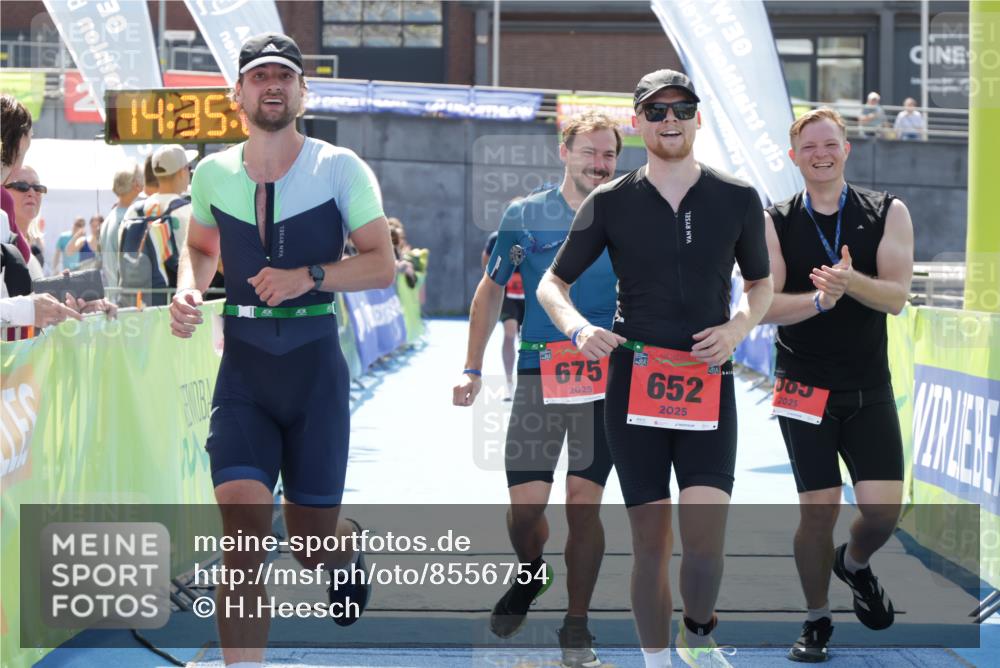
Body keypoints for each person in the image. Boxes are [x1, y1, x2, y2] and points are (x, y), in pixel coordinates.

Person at [168, 32, 395, 668]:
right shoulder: (213, 173)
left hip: (314, 371)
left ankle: (343, 549)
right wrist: (188, 289)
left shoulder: (340, 167)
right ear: (237, 93)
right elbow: (201, 246)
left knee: (309, 546)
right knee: (242, 543)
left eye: (285, 76)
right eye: (260, 76)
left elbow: (381, 264)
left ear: (302, 91)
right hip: (243, 371)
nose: (273, 85)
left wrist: (310, 276)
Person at [537, 70, 774, 668]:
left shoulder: (737, 197)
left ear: (698, 118)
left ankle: (698, 628)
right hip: (633, 382)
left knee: (704, 541)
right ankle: (654, 660)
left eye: (682, 109)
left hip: (707, 379)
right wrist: (579, 329)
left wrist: (737, 329)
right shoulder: (610, 200)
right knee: (650, 541)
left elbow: (761, 284)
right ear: (638, 122)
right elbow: (551, 283)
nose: (671, 120)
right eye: (657, 110)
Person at [453, 111, 622, 668]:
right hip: (538, 372)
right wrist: (472, 368)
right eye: (589, 152)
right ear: (564, 152)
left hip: (605, 375)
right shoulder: (524, 215)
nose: (599, 164)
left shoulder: (629, 212)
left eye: (609, 155)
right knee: (526, 510)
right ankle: (530, 572)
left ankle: (577, 625)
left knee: (583, 505)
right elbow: (490, 290)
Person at [760, 107, 913, 662]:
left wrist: (850, 283)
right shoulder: (774, 220)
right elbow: (765, 306)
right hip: (802, 383)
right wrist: (821, 301)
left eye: (830, 145)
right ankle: (816, 618)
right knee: (818, 511)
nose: (821, 155)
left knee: (883, 512)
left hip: (868, 384)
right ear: (794, 157)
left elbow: (896, 297)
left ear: (846, 149)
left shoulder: (888, 211)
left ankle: (854, 564)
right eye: (809, 147)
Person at [119, 145, 195, 306]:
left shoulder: (134, 211)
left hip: (138, 301)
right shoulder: (187, 210)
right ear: (182, 171)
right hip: (176, 302)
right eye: (189, 168)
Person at [482, 223, 524, 400]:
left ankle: (528, 382)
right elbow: (486, 261)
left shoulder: (536, 237)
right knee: (510, 332)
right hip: (507, 294)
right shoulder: (496, 238)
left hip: (530, 294)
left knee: (528, 338)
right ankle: (509, 383)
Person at [100, 160, 144, 297]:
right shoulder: (129, 219)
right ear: (136, 184)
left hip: (113, 296)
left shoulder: (111, 216)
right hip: (124, 299)